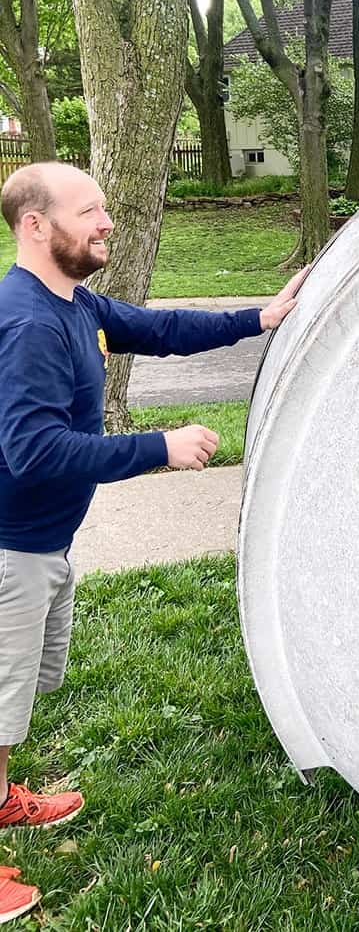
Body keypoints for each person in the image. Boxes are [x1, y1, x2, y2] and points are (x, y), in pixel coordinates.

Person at [0, 161, 307, 923]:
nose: (106, 221)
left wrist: (259, 318)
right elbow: (32, 449)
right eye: (88, 210)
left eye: (104, 205)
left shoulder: (70, 301)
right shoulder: (29, 323)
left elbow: (160, 328)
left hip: (41, 542)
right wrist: (156, 446)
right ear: (35, 225)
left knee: (13, 699)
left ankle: (2, 794)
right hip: (11, 550)